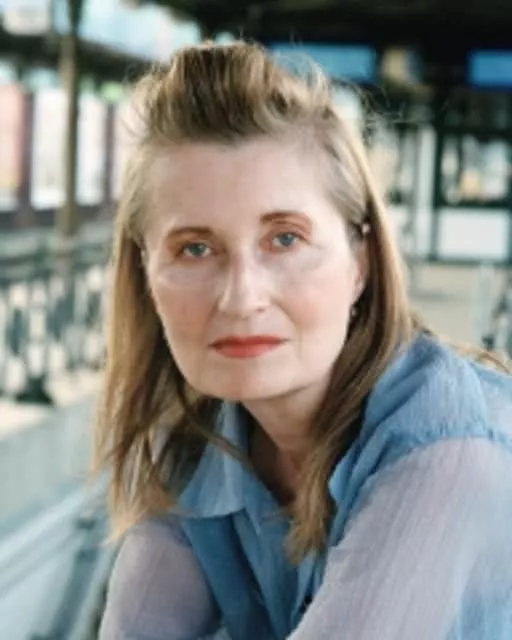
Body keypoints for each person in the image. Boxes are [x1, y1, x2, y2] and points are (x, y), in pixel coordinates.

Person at [95, 41, 512, 640]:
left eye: (285, 239)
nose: (241, 298)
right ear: (145, 275)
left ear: (361, 261)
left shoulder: (449, 449)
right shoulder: (200, 442)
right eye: (195, 248)